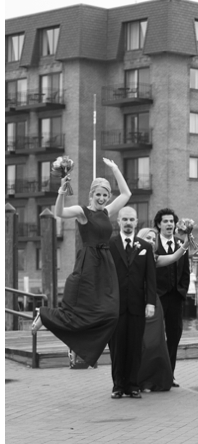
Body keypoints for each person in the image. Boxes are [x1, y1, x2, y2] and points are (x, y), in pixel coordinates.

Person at [31, 159, 132, 371]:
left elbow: (126, 195)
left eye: (105, 195)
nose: (103, 198)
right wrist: (61, 191)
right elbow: (60, 213)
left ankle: (79, 347)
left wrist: (115, 169)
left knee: (110, 313)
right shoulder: (83, 212)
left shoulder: (106, 212)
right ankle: (46, 316)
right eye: (99, 194)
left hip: (106, 265)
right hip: (89, 264)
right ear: (91, 195)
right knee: (82, 311)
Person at [107, 207, 157, 399]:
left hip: (137, 304)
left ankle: (133, 385)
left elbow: (150, 278)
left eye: (132, 219)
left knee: (135, 345)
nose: (128, 223)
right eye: (125, 219)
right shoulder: (110, 244)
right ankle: (118, 386)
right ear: (118, 222)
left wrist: (150, 303)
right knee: (118, 346)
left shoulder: (145, 246)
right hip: (116, 305)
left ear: (137, 222)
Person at [153, 208, 191, 387]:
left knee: (174, 336)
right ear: (159, 224)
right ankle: (154, 374)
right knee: (155, 336)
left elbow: (185, 271)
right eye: (165, 221)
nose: (169, 224)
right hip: (158, 298)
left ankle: (170, 375)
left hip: (176, 297)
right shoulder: (152, 245)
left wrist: (182, 291)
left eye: (171, 221)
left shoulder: (181, 244)